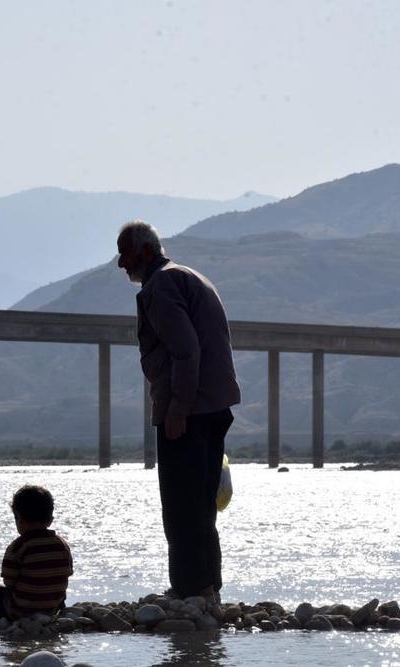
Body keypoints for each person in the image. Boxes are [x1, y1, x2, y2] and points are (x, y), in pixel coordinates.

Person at [116, 220, 241, 603]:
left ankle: (188, 591)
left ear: (146, 252)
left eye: (126, 255)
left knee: (181, 505)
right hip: (212, 406)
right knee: (202, 504)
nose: (122, 265)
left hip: (189, 410)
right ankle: (207, 588)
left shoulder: (162, 286)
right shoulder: (189, 276)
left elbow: (186, 351)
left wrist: (177, 410)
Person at [0, 484, 73, 620]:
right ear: (50, 520)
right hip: (53, 608)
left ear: (19, 520)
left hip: (21, 610)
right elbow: (67, 573)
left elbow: (9, 581)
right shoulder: (62, 544)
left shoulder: (18, 546)